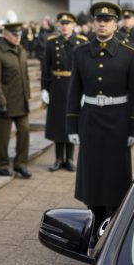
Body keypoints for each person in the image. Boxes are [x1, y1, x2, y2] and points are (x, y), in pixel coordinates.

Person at [67, 1, 134, 225]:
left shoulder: (129, 52)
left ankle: (111, 224)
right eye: (99, 20)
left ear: (115, 25)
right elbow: (74, 91)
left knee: (115, 174)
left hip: (117, 121)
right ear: (93, 23)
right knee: (92, 173)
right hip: (90, 119)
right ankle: (94, 221)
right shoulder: (80, 52)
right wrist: (71, 126)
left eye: (108, 20)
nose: (102, 24)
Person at [42, 12, 87, 171]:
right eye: (62, 23)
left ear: (74, 25)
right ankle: (58, 158)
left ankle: (70, 158)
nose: (64, 26)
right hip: (57, 87)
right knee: (58, 124)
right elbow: (46, 68)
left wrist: (86, 90)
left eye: (68, 23)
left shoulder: (82, 42)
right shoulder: (51, 43)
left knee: (72, 121)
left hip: (74, 87)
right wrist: (44, 89)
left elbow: (85, 69)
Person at [0, 21, 32, 178]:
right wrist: (1, 102)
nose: (18, 37)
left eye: (20, 34)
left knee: (24, 131)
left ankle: (20, 164)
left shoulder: (21, 50)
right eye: (14, 34)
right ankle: (3, 164)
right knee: (4, 136)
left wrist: (28, 96)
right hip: (5, 102)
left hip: (21, 100)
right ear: (5, 34)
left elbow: (25, 76)